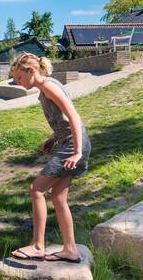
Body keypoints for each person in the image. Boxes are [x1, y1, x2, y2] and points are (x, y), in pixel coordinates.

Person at [8, 52, 91, 263]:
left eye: (19, 77)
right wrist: (53, 138)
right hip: (67, 143)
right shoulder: (46, 87)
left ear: (31, 71)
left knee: (36, 189)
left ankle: (38, 246)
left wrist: (77, 151)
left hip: (73, 145)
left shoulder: (49, 87)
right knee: (58, 197)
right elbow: (63, 120)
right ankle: (70, 249)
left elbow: (73, 115)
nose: (18, 82)